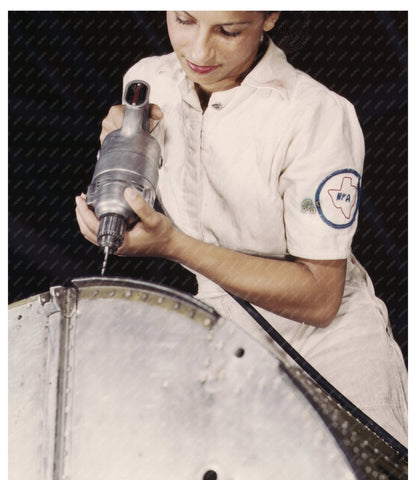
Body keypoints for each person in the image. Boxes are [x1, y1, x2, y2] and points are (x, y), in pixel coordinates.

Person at [75, 11, 408, 446]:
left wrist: (172, 245)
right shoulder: (148, 79)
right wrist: (124, 184)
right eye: (184, 20)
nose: (198, 52)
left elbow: (322, 297)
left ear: (270, 16)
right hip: (230, 337)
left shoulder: (315, 114)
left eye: (228, 32)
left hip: (330, 349)